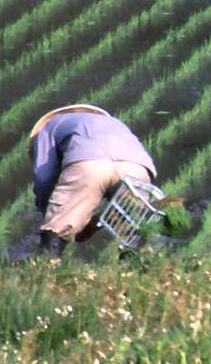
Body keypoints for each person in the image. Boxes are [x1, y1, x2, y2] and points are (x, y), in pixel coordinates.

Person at [28, 104, 158, 257]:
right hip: (136, 168)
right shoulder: (116, 123)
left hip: (89, 165)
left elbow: (45, 177)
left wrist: (50, 211)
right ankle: (135, 272)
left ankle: (47, 269)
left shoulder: (49, 127)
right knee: (133, 228)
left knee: (57, 228)